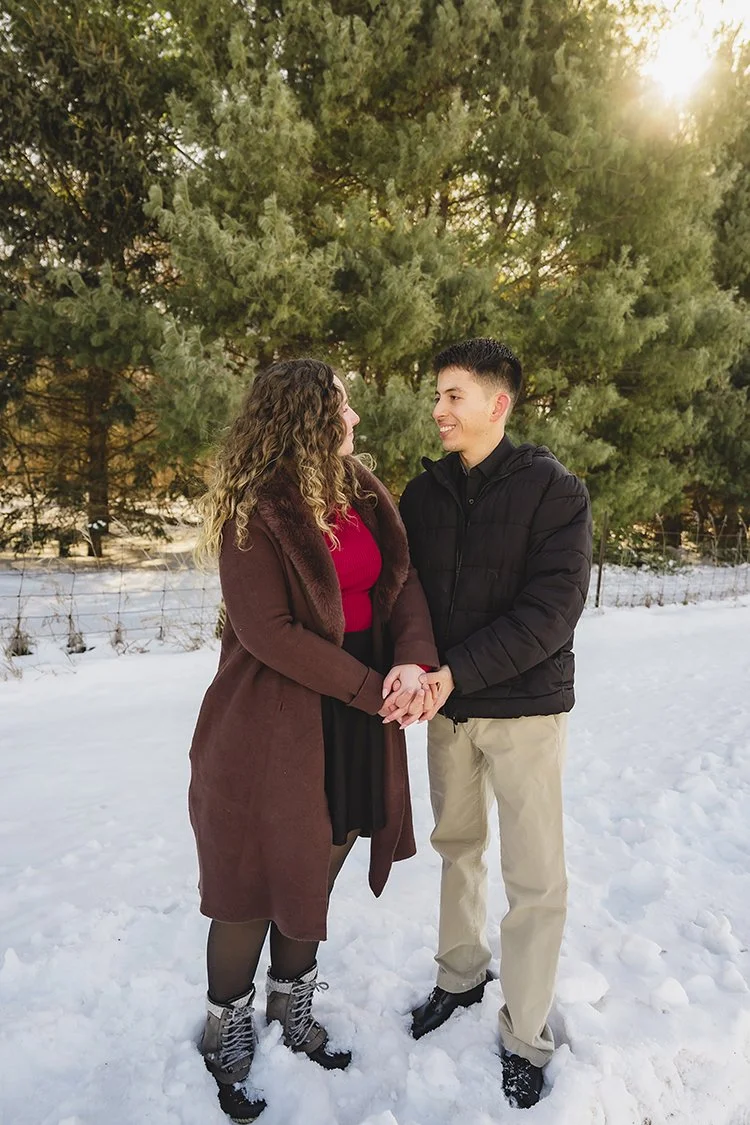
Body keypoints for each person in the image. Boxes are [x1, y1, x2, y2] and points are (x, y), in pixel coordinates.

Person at [188, 358, 438, 1122]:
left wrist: (409, 661)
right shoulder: (253, 511)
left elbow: (403, 581)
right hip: (275, 724)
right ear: (304, 417)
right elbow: (271, 634)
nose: (356, 417)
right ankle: (224, 1023)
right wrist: (371, 690)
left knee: (317, 863)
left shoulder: (358, 487)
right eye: (344, 405)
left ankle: (289, 1005)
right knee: (253, 876)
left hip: (361, 710)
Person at [398, 338, 592, 1110]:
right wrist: (416, 671)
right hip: (446, 713)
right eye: (437, 396)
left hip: (525, 712)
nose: (438, 410)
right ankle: (460, 972)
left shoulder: (555, 492)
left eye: (452, 396)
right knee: (456, 847)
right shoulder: (424, 493)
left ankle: (527, 1031)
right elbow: (405, 595)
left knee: (535, 876)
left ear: (496, 405)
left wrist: (455, 672)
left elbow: (550, 614)